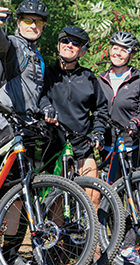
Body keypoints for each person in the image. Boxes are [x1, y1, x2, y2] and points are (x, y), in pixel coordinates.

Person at [0, 0, 52, 265]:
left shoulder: (38, 56)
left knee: (21, 191)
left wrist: (47, 108)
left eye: (38, 21)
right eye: (28, 20)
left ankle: (8, 253)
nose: (33, 25)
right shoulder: (14, 47)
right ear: (18, 22)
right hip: (3, 126)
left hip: (25, 128)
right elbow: (2, 45)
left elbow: (36, 95)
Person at [97, 31, 140, 264]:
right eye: (114, 47)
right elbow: (98, 111)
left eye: (123, 49)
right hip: (108, 147)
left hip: (132, 145)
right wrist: (97, 134)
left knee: (133, 199)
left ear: (131, 54)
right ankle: (109, 243)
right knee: (110, 197)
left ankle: (130, 248)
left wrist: (136, 122)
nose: (117, 52)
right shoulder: (100, 79)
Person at [40, 25, 108, 209]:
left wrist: (99, 133)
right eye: (65, 40)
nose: (69, 45)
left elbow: (101, 109)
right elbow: (39, 97)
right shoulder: (47, 74)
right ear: (58, 45)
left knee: (93, 195)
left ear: (82, 51)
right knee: (57, 201)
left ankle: (91, 237)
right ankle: (61, 238)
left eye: (75, 43)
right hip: (55, 145)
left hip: (82, 145)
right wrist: (46, 107)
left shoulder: (88, 77)